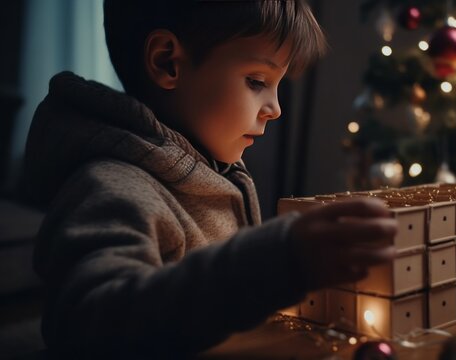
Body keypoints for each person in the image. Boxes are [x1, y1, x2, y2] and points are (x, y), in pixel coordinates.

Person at [21, 0, 398, 358]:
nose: (276, 108)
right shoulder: (111, 187)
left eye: (277, 84)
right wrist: (274, 261)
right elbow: (93, 326)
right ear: (167, 62)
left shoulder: (221, 174)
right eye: (256, 80)